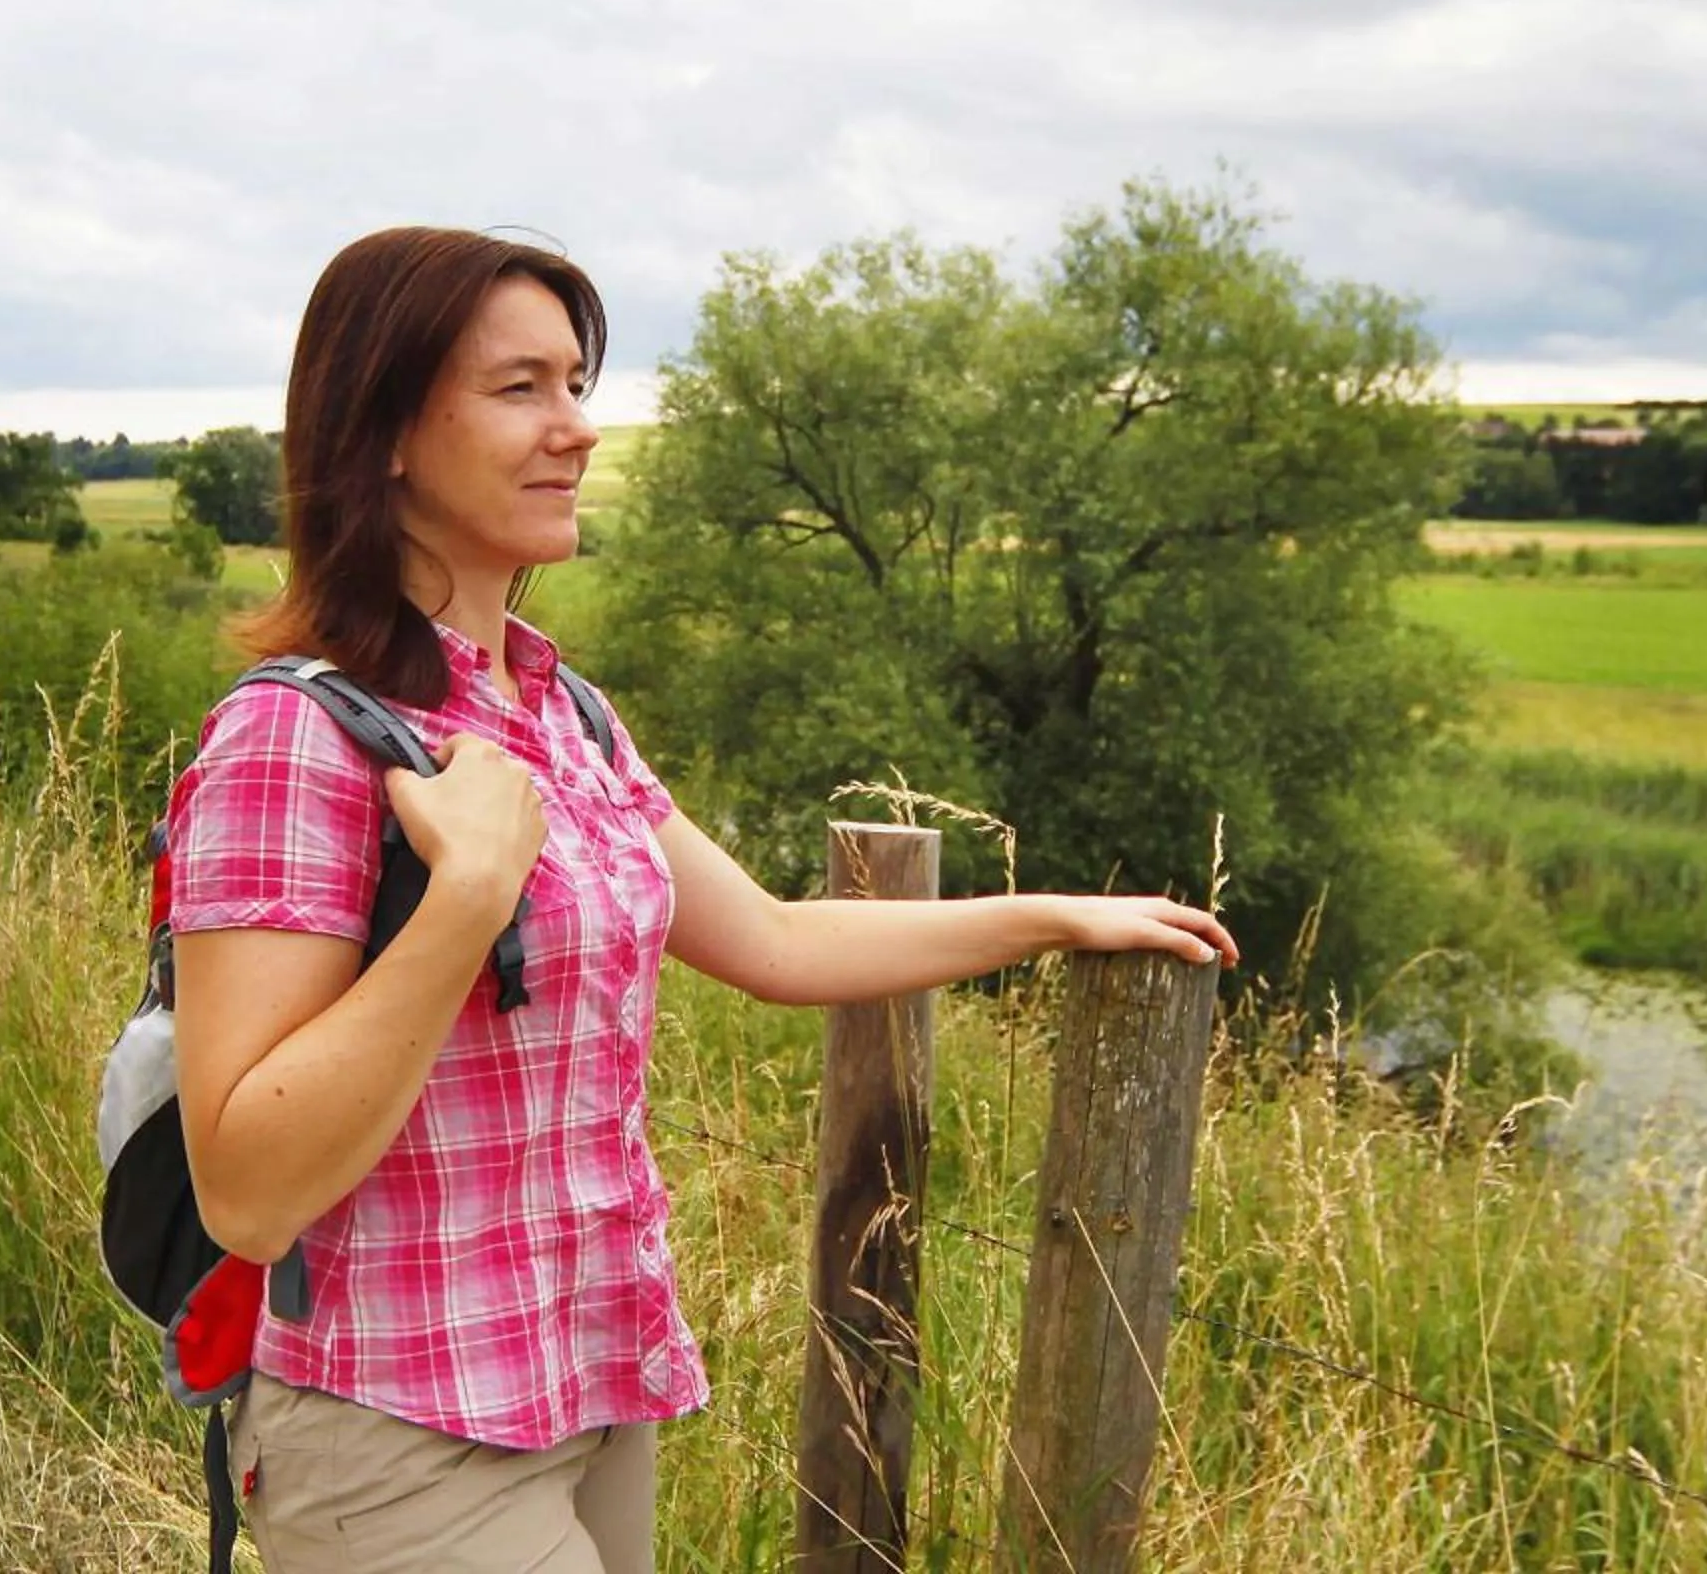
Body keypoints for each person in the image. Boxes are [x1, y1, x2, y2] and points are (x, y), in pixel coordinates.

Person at [166, 226, 1238, 1574]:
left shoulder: (563, 715)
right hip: (401, 1432)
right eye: (519, 388)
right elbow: (247, 1192)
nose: (576, 428)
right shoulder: (296, 738)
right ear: (382, 432)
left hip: (589, 1395)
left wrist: (1055, 920)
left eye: (576, 384)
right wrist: (466, 899)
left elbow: (775, 938)